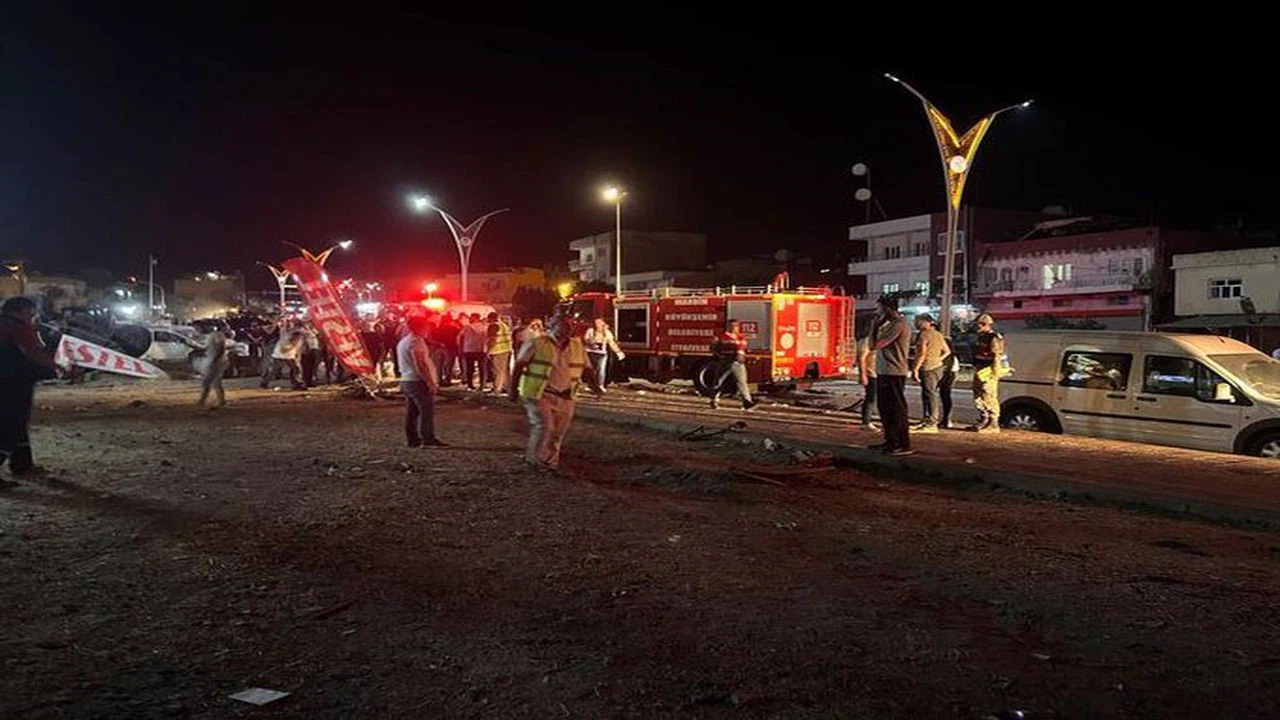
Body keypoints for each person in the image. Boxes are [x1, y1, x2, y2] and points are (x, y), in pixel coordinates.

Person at [514, 313, 590, 471]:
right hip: (539, 393)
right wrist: (512, 390)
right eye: (563, 325)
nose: (568, 329)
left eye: (570, 325)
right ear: (552, 326)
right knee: (545, 427)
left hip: (566, 395)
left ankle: (550, 463)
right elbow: (519, 366)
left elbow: (588, 368)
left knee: (558, 432)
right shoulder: (536, 343)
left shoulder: (577, 345)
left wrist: (596, 385)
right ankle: (535, 462)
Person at [0, 297, 58, 480]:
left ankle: (22, 464)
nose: (33, 316)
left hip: (8, 381)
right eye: (31, 312)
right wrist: (55, 367)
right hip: (14, 382)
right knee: (12, 425)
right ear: (23, 310)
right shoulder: (18, 327)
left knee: (17, 424)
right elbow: (33, 353)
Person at [871, 296, 913, 456]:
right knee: (885, 408)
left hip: (893, 372)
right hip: (885, 371)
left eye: (879, 308)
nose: (877, 312)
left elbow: (876, 345)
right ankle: (890, 440)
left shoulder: (898, 325)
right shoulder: (890, 325)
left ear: (887, 308)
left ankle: (900, 443)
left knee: (895, 408)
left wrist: (874, 327)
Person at [397, 315, 445, 447]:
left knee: (412, 412)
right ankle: (427, 438)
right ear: (421, 326)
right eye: (426, 326)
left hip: (407, 379)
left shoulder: (405, 340)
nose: (428, 329)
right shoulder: (415, 341)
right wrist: (430, 381)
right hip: (417, 381)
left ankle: (412, 439)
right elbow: (420, 364)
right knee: (426, 411)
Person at [709, 319, 758, 410]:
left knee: (742, 382)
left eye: (736, 326)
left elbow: (743, 349)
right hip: (725, 361)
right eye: (732, 325)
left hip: (738, 363)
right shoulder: (721, 337)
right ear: (728, 326)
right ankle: (714, 399)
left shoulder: (741, 337)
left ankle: (747, 402)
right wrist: (719, 356)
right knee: (719, 382)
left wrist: (742, 356)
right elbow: (713, 347)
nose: (734, 328)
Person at [910, 314, 947, 434]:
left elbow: (922, 354)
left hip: (927, 368)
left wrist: (915, 369)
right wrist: (938, 359)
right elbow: (947, 351)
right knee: (929, 393)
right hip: (937, 367)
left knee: (929, 394)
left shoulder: (923, 334)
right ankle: (927, 420)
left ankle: (931, 422)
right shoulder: (938, 334)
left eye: (917, 321)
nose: (915, 323)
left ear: (925, 322)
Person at [970, 313, 1006, 433]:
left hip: (988, 370)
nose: (977, 327)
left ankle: (993, 423)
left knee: (989, 394)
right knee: (978, 394)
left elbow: (997, 355)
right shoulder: (981, 336)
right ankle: (984, 419)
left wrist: (995, 372)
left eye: (979, 324)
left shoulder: (994, 337)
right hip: (980, 368)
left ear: (985, 324)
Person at [584, 317, 624, 393]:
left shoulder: (607, 332)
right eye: (596, 323)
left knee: (601, 370)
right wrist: (591, 343)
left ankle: (600, 385)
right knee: (591, 370)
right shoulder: (590, 331)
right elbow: (586, 339)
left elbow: (611, 343)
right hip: (591, 352)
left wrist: (618, 352)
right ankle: (591, 385)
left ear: (603, 323)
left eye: (599, 322)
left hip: (602, 354)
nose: (598, 324)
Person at [261, 324, 305, 389]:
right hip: (281, 354)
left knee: (294, 369)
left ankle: (297, 383)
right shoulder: (285, 332)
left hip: (286, 354)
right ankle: (264, 382)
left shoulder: (291, 333)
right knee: (276, 370)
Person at [198, 327, 231, 408]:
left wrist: (215, 359)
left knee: (212, 380)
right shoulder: (211, 335)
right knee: (210, 381)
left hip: (217, 361)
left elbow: (221, 347)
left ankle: (218, 401)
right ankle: (204, 400)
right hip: (214, 360)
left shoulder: (217, 335)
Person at [486, 312, 514, 394]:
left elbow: (492, 339)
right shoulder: (504, 325)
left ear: (491, 318)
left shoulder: (493, 326)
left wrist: (488, 351)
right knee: (505, 371)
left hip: (497, 350)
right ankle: (506, 388)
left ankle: (497, 389)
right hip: (507, 350)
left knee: (497, 371)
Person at [856, 327, 879, 429]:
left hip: (879, 372)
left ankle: (869, 420)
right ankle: (866, 421)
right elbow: (861, 358)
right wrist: (863, 374)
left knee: (875, 398)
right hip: (871, 373)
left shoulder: (878, 339)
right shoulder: (867, 341)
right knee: (871, 398)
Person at [459, 313, 488, 390]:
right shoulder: (484, 327)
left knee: (470, 368)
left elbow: (460, 338)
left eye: (471, 317)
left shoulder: (467, 327)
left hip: (469, 350)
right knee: (482, 368)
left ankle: (470, 384)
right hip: (481, 350)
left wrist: (461, 348)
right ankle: (482, 385)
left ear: (475, 318)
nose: (470, 319)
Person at [938, 335, 959, 429]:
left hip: (948, 373)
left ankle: (947, 419)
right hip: (950, 373)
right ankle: (946, 419)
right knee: (945, 396)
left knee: (945, 395)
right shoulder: (953, 355)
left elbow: (947, 367)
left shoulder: (948, 356)